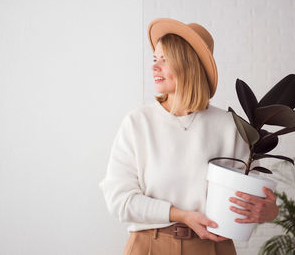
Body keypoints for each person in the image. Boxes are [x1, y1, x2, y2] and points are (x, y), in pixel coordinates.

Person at [99, 18, 279, 255]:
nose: (154, 67)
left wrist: (269, 212)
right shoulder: (138, 123)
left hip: (213, 248)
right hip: (149, 246)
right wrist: (180, 215)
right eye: (155, 59)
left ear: (188, 64)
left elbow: (251, 200)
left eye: (164, 60)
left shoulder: (231, 127)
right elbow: (119, 201)